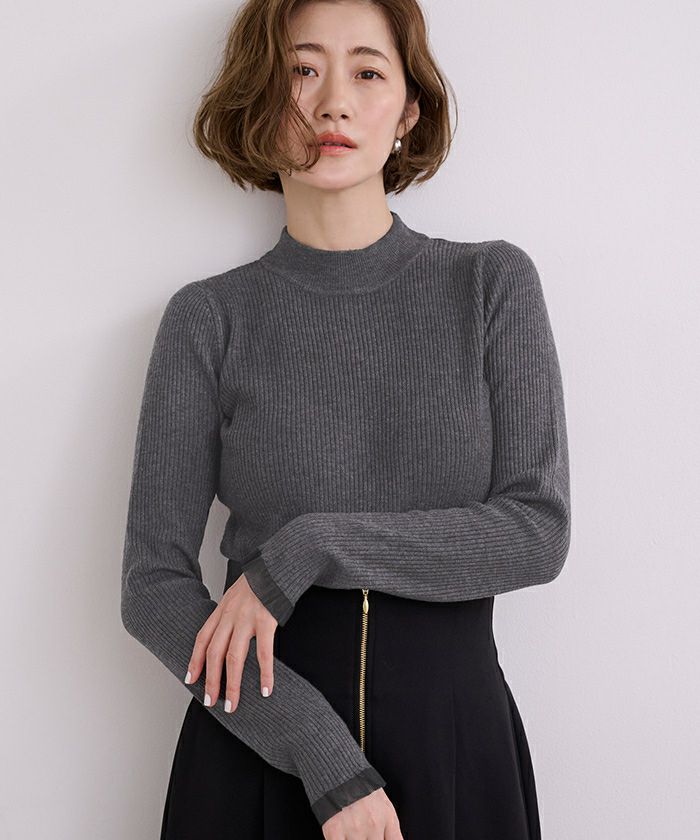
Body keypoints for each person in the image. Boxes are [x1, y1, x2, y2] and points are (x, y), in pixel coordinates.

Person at [120, 0, 572, 838]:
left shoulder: (489, 286)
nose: (332, 102)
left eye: (367, 71)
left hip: (455, 746)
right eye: (301, 69)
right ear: (261, 98)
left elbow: (537, 532)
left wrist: (309, 546)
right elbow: (152, 588)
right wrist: (324, 760)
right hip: (258, 746)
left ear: (408, 112)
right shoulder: (209, 318)